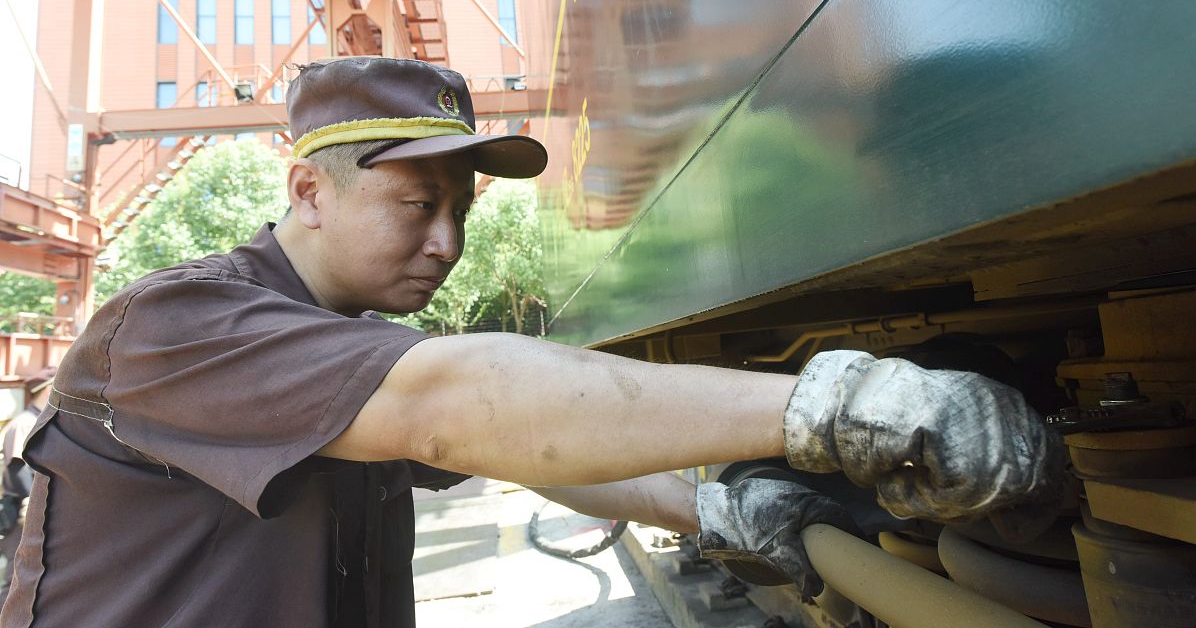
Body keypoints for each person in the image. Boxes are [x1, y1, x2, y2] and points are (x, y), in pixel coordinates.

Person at [0, 57, 1062, 628]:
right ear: (305, 189)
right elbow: (459, 405)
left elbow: (518, 451)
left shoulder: (335, 349)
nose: (447, 242)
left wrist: (716, 505)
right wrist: (837, 407)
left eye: (461, 211)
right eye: (418, 203)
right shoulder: (179, 325)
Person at [0, 368, 54, 604]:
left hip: (31, 510)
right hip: (21, 511)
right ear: (48, 390)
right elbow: (18, 472)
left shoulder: (36, 421)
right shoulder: (24, 424)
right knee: (14, 578)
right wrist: (37, 500)